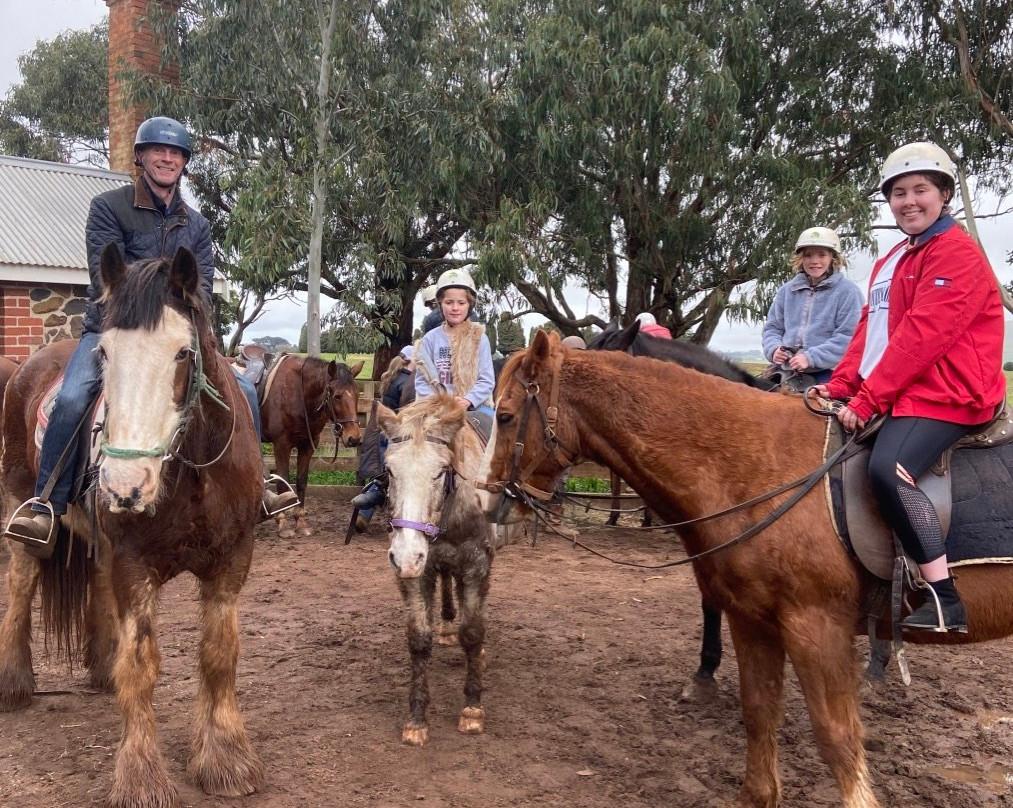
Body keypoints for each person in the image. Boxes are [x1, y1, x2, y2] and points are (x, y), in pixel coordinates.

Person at [4, 116, 296, 555]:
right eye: (158, 151)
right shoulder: (108, 207)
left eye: (175, 153)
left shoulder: (195, 225)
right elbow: (110, 276)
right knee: (71, 396)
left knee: (242, 389)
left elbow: (198, 288)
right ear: (141, 157)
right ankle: (46, 502)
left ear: (183, 163)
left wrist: (189, 327)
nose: (166, 158)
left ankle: (261, 482)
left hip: (178, 335)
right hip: (116, 331)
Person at [810, 141, 1005, 633]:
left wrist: (869, 398)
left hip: (949, 392)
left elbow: (923, 337)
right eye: (899, 193)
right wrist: (839, 386)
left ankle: (945, 598)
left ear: (944, 195)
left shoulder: (956, 253)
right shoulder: (894, 257)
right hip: (905, 388)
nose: (909, 201)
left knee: (889, 471)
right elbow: (870, 333)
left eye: (921, 189)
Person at [762, 227, 863, 384]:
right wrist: (774, 349)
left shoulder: (848, 292)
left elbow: (848, 336)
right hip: (785, 369)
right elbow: (773, 328)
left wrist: (810, 358)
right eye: (808, 255)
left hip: (828, 372)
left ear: (833, 258)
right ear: (801, 259)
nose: (814, 261)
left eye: (822, 255)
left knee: (827, 407)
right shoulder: (786, 291)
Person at [353, 345, 416, 533]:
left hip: (385, 432)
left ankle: (365, 514)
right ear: (412, 361)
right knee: (398, 477)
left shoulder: (392, 377)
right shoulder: (407, 382)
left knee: (383, 477)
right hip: (399, 433)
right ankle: (396, 518)